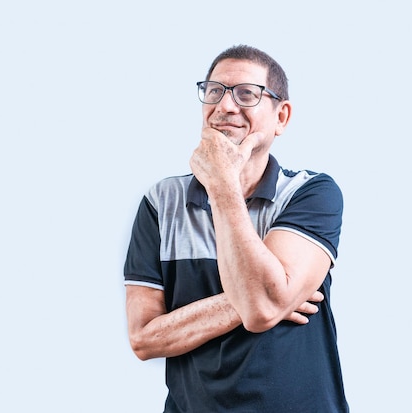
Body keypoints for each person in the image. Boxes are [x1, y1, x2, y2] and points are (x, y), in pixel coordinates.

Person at [123, 44, 349, 412]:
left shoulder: (311, 192)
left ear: (282, 117)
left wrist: (222, 184)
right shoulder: (160, 202)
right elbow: (144, 339)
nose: (225, 106)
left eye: (247, 94)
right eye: (215, 91)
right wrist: (269, 297)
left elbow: (261, 307)